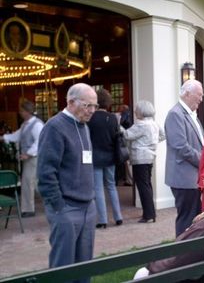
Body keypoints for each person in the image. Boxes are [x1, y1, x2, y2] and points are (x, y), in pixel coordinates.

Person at [37, 83, 98, 281]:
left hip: (87, 207)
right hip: (66, 209)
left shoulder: (84, 126)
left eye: (94, 106)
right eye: (87, 106)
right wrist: (59, 206)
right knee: (63, 269)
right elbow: (46, 173)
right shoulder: (54, 127)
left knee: (84, 267)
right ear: (71, 102)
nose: (92, 111)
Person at [164, 79, 204, 237]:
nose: (201, 99)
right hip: (184, 179)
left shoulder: (190, 114)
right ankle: (182, 255)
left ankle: (190, 253)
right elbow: (181, 147)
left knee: (194, 218)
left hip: (192, 178)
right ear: (187, 94)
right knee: (186, 219)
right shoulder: (175, 114)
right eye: (199, 95)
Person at [122, 100, 165, 223]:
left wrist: (118, 127)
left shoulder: (140, 124)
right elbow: (163, 135)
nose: (135, 111)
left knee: (143, 186)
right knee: (147, 185)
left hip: (139, 157)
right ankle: (150, 212)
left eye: (136, 110)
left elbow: (127, 135)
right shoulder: (154, 124)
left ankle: (148, 215)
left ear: (141, 112)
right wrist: (151, 144)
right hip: (150, 157)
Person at [0, 100, 44, 217]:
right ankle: (51, 202)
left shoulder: (37, 125)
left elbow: (40, 142)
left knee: (28, 182)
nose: (20, 113)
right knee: (34, 184)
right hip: (29, 158)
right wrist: (4, 137)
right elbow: (17, 135)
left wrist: (28, 154)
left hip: (34, 158)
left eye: (21, 111)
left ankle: (28, 209)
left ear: (27, 112)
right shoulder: (26, 124)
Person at [87, 88, 123, 229]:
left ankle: (102, 220)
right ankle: (118, 216)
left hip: (95, 157)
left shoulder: (91, 118)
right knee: (111, 187)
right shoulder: (113, 118)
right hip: (110, 157)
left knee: (98, 189)